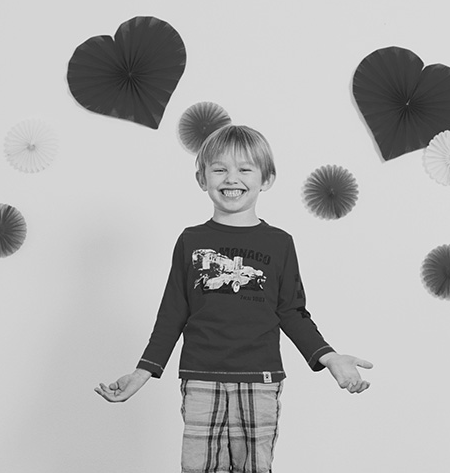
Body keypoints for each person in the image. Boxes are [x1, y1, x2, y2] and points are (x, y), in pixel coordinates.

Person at [95, 124, 372, 473]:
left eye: (244, 169)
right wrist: (143, 372)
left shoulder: (280, 243)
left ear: (266, 178)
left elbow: (292, 311)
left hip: (261, 380)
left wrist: (328, 357)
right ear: (202, 178)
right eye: (220, 169)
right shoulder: (190, 240)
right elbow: (172, 313)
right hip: (200, 379)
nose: (231, 178)